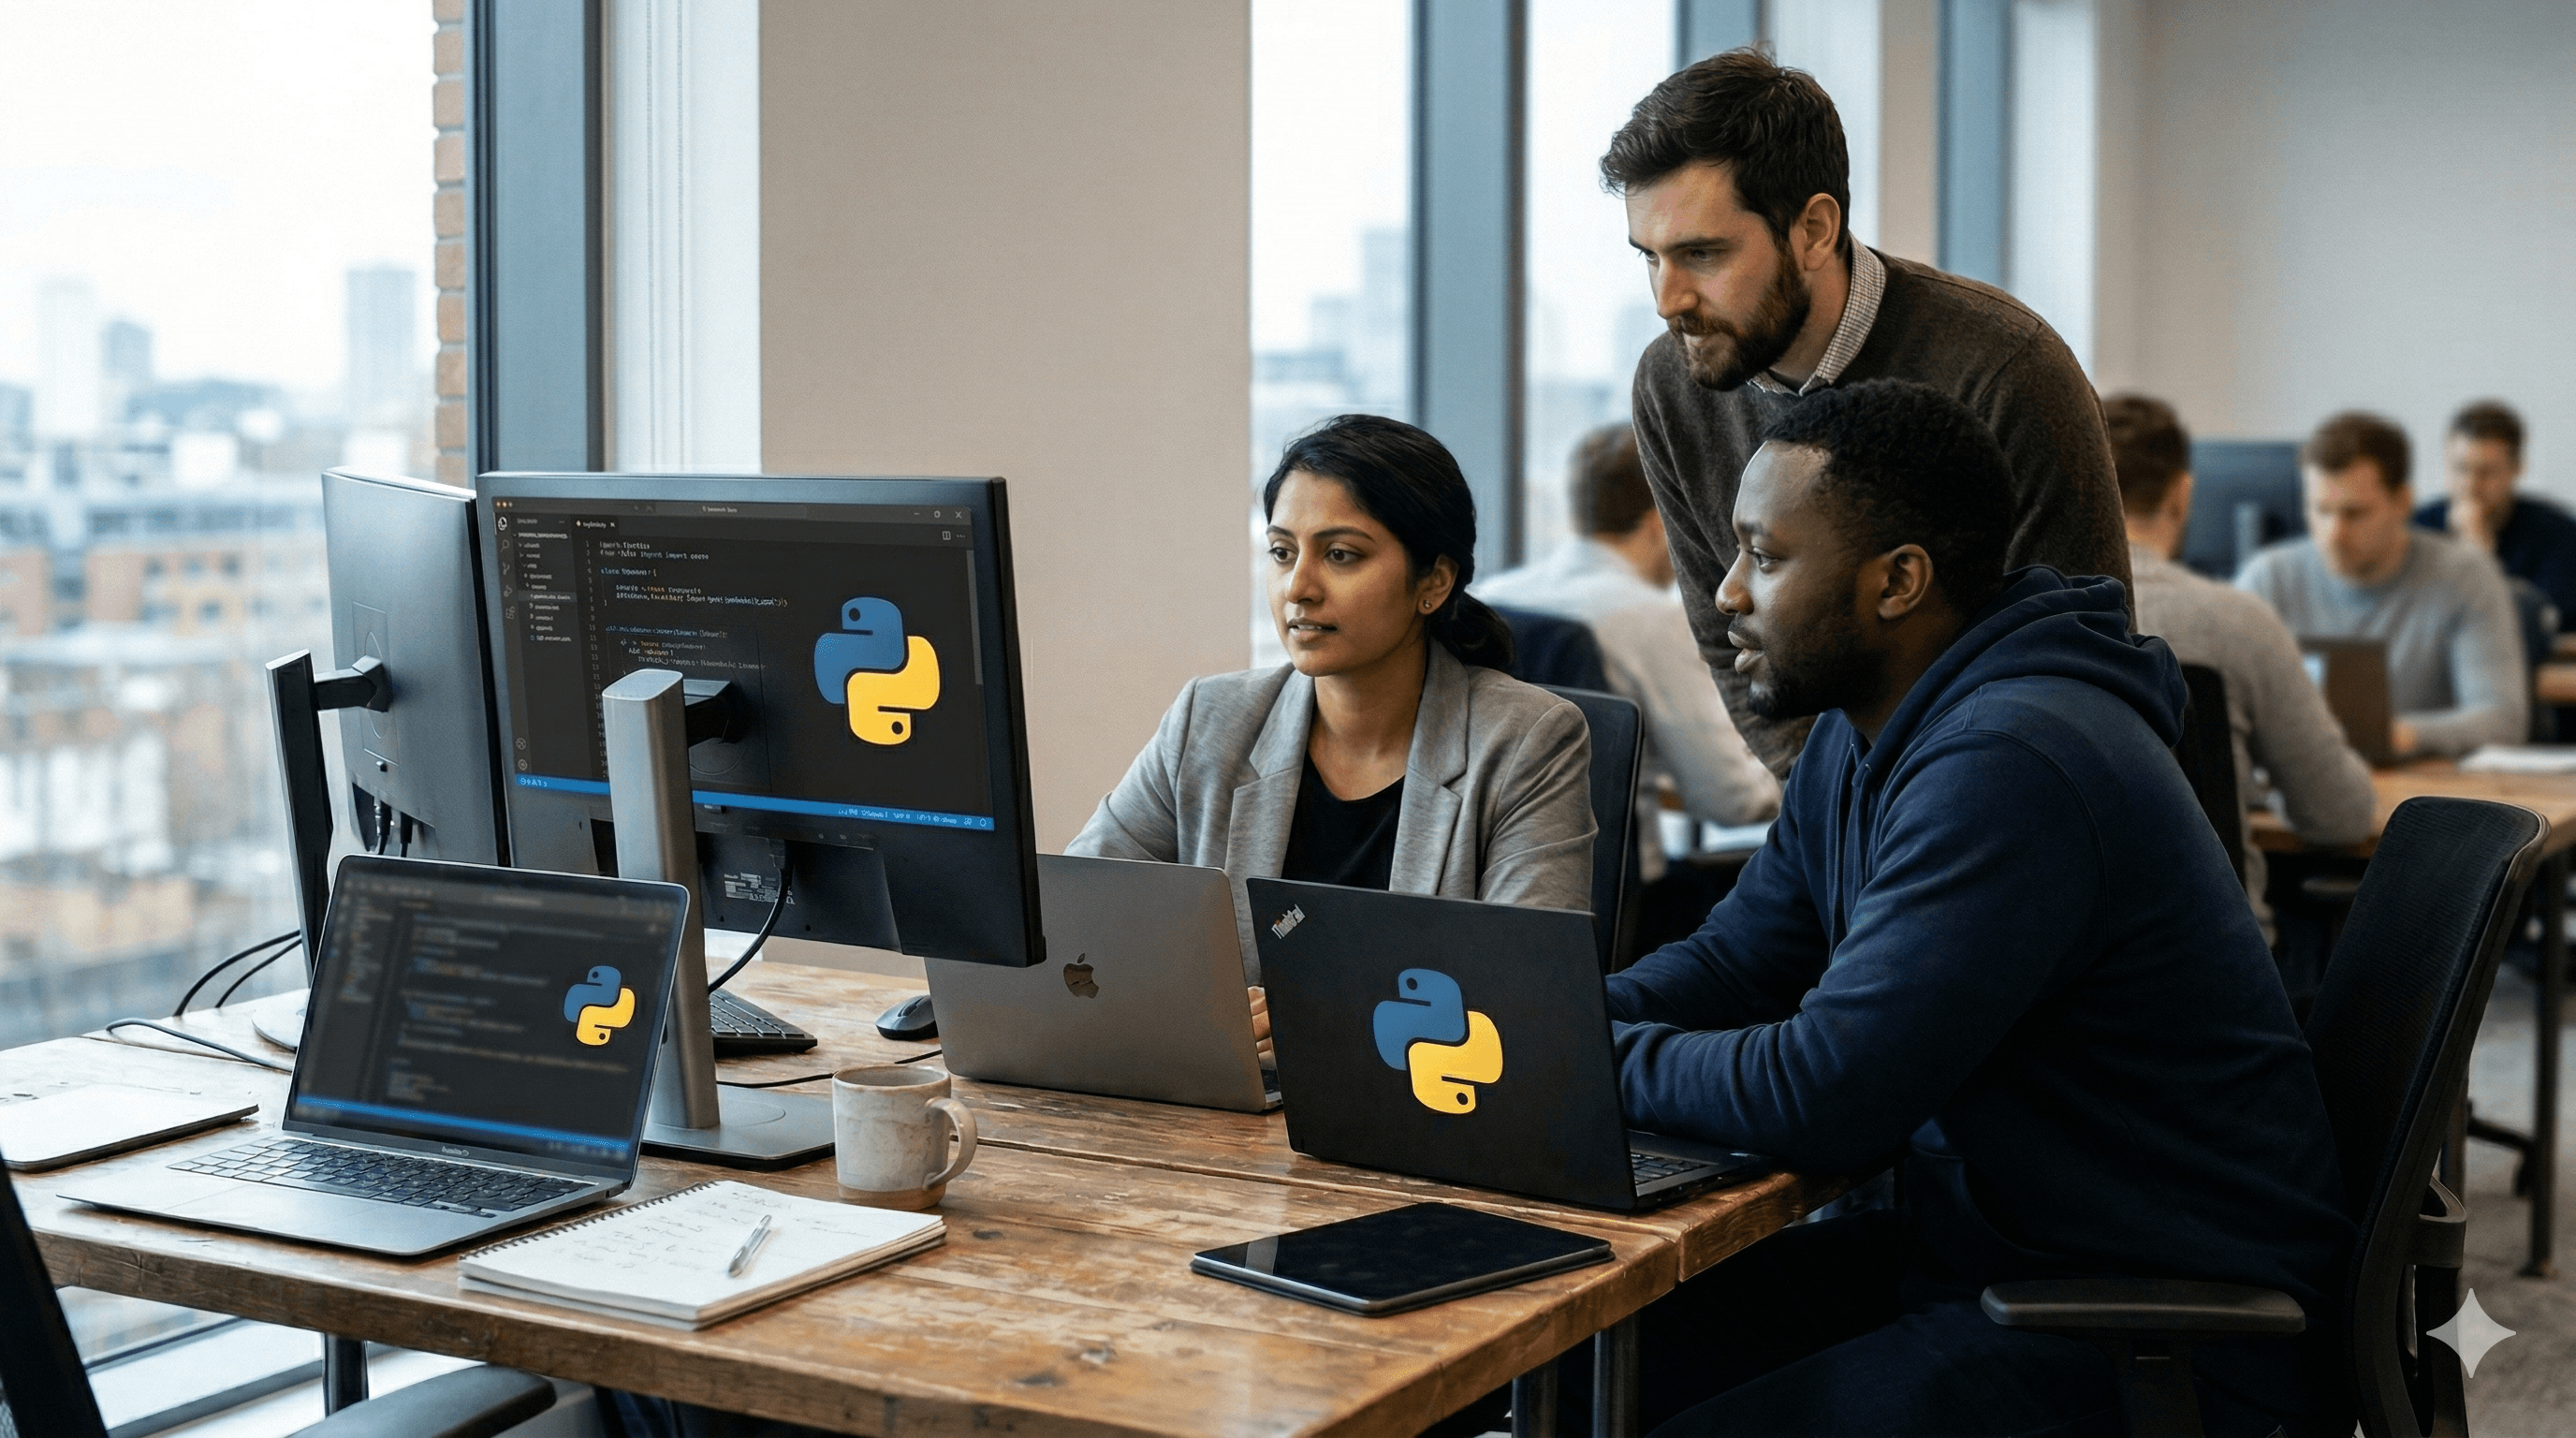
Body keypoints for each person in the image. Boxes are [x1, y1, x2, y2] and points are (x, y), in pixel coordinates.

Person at [1556, 380, 2351, 1436]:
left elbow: (1824, 1091)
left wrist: (1581, 1055)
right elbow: (1739, 962)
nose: (1728, 592)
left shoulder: (2013, 761)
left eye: (1767, 554)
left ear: (1898, 583)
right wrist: (1543, 1015)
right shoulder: (1865, 728)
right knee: (1574, 1366)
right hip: (1993, 1254)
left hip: (2159, 1328)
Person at [1607, 48, 2130, 773]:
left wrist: (1905, 811)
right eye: (1650, 257)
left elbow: (2079, 664)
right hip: (1836, 815)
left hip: (2011, 794)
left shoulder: (2006, 367)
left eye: (1701, 254)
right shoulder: (1673, 385)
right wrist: (1831, 811)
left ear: (1815, 231)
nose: (1669, 301)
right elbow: (1730, 638)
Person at [1068, 413, 1595, 980]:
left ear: (1434, 582)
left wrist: (1310, 1021)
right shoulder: (1211, 719)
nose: (1299, 588)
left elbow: (1524, 986)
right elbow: (1075, 911)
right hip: (1223, 1069)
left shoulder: (1527, 740)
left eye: (1341, 554)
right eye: (1281, 552)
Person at [1477, 422, 1778, 931]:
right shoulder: (1646, 619)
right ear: (1663, 523)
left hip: (1496, 887)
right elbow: (1732, 799)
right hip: (1620, 912)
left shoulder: (1494, 596)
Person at [2104, 393, 2374, 944]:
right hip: (2217, 979)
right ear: (2183, 494)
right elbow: (2340, 815)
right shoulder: (2238, 624)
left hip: (2050, 991)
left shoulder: (2008, 622)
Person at [2238, 411, 2526, 757]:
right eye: (2320, 510)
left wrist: (2393, 735)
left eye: (2354, 513)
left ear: (2402, 502)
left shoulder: (2467, 576)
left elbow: (2502, 720)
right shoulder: (2268, 578)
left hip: (2423, 796)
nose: (2333, 535)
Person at [2416, 399, 2576, 632]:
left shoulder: (2559, 536)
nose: (2470, 485)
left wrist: (2479, 557)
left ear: (2517, 469)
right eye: (2460, 468)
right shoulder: (2417, 528)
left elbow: (2544, 624)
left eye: (2486, 472)